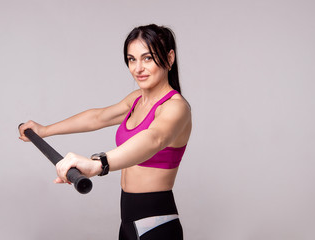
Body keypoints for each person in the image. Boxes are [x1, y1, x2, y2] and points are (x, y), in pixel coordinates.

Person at [19, 24, 192, 240]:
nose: (138, 68)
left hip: (156, 224)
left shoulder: (176, 108)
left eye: (147, 58)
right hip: (128, 221)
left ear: (169, 58)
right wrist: (45, 130)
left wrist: (98, 164)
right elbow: (99, 117)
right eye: (131, 59)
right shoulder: (136, 100)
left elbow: (154, 138)